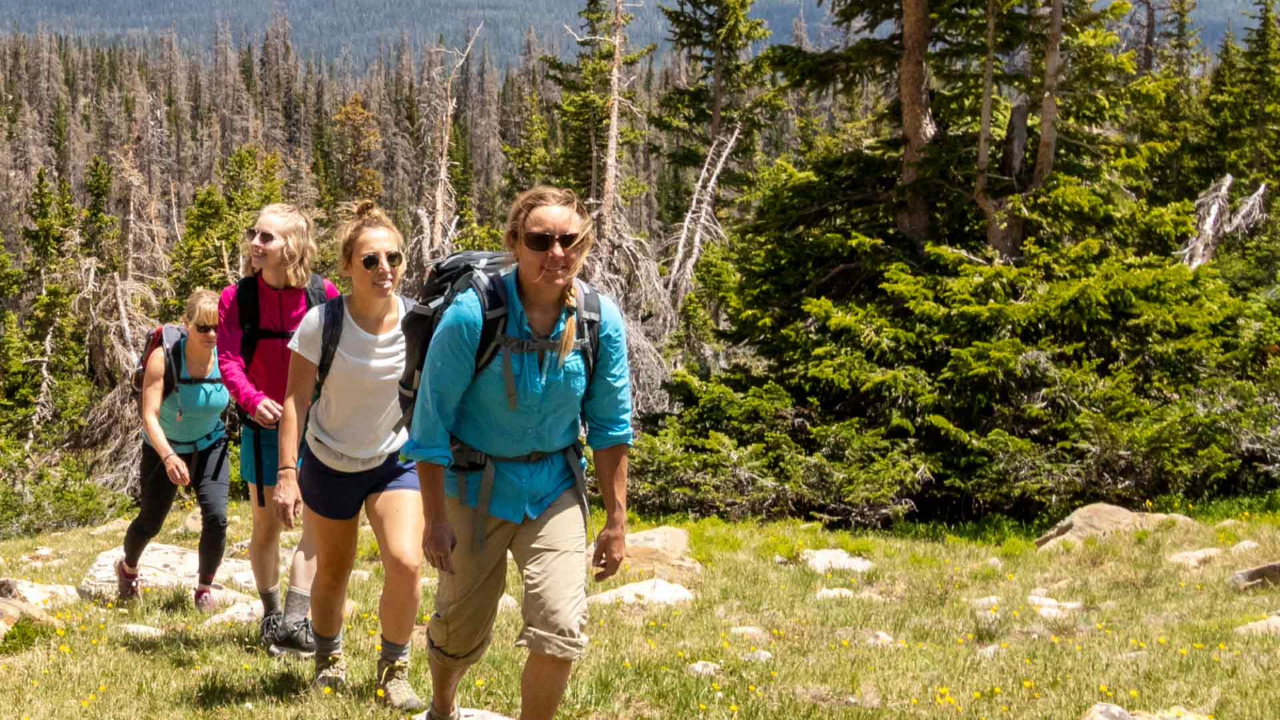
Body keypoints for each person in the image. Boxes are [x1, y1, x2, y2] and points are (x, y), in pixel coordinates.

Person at [404, 186, 633, 720]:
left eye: (569, 240)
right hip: (472, 484)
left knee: (560, 626)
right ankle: (443, 706)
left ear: (584, 244)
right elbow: (431, 425)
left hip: (553, 485)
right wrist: (434, 519)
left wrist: (616, 521)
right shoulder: (472, 315)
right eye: (540, 240)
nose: (557, 253)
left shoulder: (600, 320)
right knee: (460, 628)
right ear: (514, 242)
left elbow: (611, 428)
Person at [275, 201, 426, 710]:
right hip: (331, 459)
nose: (385, 269)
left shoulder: (418, 323)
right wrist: (286, 473)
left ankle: (395, 669)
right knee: (333, 574)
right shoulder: (323, 322)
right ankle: (329, 661)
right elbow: (295, 400)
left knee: (405, 562)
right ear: (348, 267)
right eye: (370, 260)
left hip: (394, 459)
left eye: (394, 258)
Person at [217, 203, 339, 657]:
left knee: (314, 524)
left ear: (293, 245)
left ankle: (296, 617)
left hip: (317, 428)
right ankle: (270, 616)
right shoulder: (239, 298)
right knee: (266, 524)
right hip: (261, 427)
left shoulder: (324, 296)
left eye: (266, 237)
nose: (255, 244)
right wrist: (251, 399)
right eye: (255, 234)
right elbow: (227, 360)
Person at [116, 289, 231, 612]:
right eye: (203, 327)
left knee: (217, 517)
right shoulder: (163, 358)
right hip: (163, 447)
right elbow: (149, 416)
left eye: (217, 327)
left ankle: (204, 589)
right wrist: (168, 457)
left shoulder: (227, 356)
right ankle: (128, 569)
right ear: (186, 324)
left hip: (211, 444)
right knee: (151, 522)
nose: (211, 335)